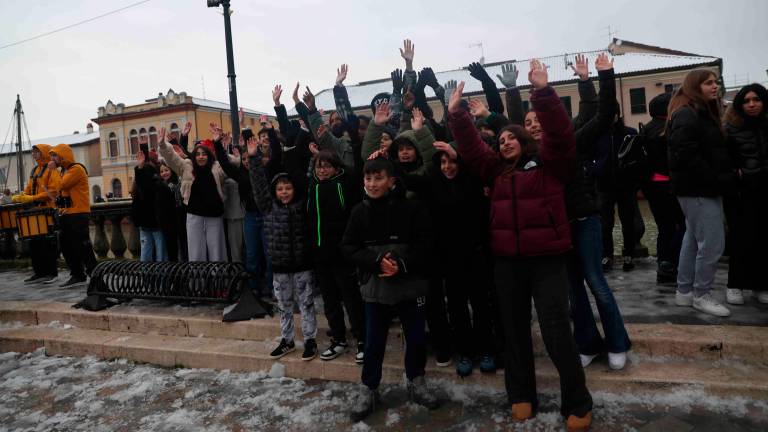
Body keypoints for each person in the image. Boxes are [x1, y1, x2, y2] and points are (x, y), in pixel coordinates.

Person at [448, 61, 593, 430]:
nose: (506, 141)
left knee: (557, 331)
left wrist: (543, 93)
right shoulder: (494, 170)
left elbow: (561, 134)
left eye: (512, 138)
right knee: (513, 332)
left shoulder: (551, 164)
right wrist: (457, 115)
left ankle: (577, 401)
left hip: (547, 262)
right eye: (501, 140)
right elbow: (471, 148)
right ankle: (521, 395)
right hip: (508, 264)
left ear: (525, 142)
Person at [343, 157, 437, 421]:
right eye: (368, 178)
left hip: (410, 286)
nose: (372, 184)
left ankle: (416, 381)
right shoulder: (359, 212)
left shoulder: (413, 208)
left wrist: (402, 264)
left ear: (392, 180)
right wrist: (375, 262)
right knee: (373, 342)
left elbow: (426, 245)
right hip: (376, 289)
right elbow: (348, 248)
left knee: (416, 339)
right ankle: (369, 388)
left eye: (379, 178)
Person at [403, 140, 496, 377]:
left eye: (451, 162)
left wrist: (460, 156)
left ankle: (486, 350)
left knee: (481, 305)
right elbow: (408, 178)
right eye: (443, 163)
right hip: (449, 258)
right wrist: (384, 159)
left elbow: (480, 168)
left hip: (476, 255)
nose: (447, 167)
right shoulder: (434, 185)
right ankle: (465, 352)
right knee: (456, 307)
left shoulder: (473, 181)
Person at [563, 53, 631, 370]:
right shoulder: (532, 156)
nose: (536, 127)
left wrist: (597, 78)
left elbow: (599, 115)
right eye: (530, 123)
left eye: (541, 122)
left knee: (597, 283)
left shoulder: (571, 143)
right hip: (558, 230)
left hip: (585, 221)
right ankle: (588, 343)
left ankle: (617, 342)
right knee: (574, 292)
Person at [667, 69, 736, 317]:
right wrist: (717, 179)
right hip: (699, 189)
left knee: (693, 239)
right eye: (708, 83)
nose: (715, 86)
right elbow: (686, 154)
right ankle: (701, 295)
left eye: (716, 82)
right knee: (713, 244)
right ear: (695, 86)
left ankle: (685, 292)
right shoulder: (689, 114)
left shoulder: (697, 111)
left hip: (696, 188)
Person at [247, 136, 317, 361]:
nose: (285, 192)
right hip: (279, 267)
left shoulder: (301, 205)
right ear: (275, 192)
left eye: (288, 188)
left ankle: (310, 340)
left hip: (302, 266)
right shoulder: (268, 207)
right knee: (284, 306)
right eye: (280, 189)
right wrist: (253, 158)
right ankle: (287, 340)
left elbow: (309, 179)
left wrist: (314, 160)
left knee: (306, 303)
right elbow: (258, 185)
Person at [306, 150, 366, 363]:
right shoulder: (312, 187)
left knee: (351, 298)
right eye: (319, 166)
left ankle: (362, 339)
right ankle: (338, 339)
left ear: (335, 167)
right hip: (320, 254)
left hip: (342, 254)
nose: (322, 170)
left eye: (327, 166)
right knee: (330, 300)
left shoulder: (344, 183)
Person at [723, 83, 768, 305]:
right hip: (741, 192)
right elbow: (722, 159)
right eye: (747, 101)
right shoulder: (730, 128)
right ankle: (735, 285)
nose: (751, 104)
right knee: (740, 239)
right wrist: (735, 174)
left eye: (756, 100)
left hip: (765, 190)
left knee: (763, 239)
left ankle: (761, 285)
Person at [158, 126, 228, 262]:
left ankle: (218, 281)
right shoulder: (186, 166)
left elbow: (232, 164)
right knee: (196, 254)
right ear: (194, 156)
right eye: (198, 154)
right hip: (194, 215)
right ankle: (198, 282)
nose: (201, 157)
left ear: (209, 156)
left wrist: (220, 144)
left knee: (217, 253)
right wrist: (162, 144)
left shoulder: (217, 168)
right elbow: (172, 158)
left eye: (204, 154)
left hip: (214, 215)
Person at [641, 92, 686, 285]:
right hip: (670, 184)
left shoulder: (645, 130)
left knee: (663, 227)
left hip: (652, 186)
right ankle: (672, 261)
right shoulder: (670, 128)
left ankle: (663, 264)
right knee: (683, 226)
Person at [49, 143, 97, 287]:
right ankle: (77, 274)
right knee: (66, 246)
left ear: (63, 155)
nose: (52, 159)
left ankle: (94, 274)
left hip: (78, 213)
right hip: (68, 213)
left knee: (83, 246)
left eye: (54, 155)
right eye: (51, 155)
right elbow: (56, 190)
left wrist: (53, 171)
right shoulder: (64, 171)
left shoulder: (76, 169)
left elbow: (60, 185)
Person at [12, 144, 61, 284]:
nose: (34, 155)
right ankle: (39, 273)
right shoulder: (35, 170)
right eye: (33, 152)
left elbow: (52, 192)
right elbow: (29, 189)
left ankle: (51, 273)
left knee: (47, 244)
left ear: (44, 153)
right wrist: (22, 196)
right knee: (34, 244)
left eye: (36, 152)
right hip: (34, 213)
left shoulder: (51, 170)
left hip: (47, 212)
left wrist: (32, 198)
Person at [132, 141, 167, 262]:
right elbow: (146, 186)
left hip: (148, 221)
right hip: (153, 221)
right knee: (158, 251)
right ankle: (158, 277)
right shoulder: (151, 174)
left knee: (148, 250)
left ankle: (148, 275)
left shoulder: (144, 178)